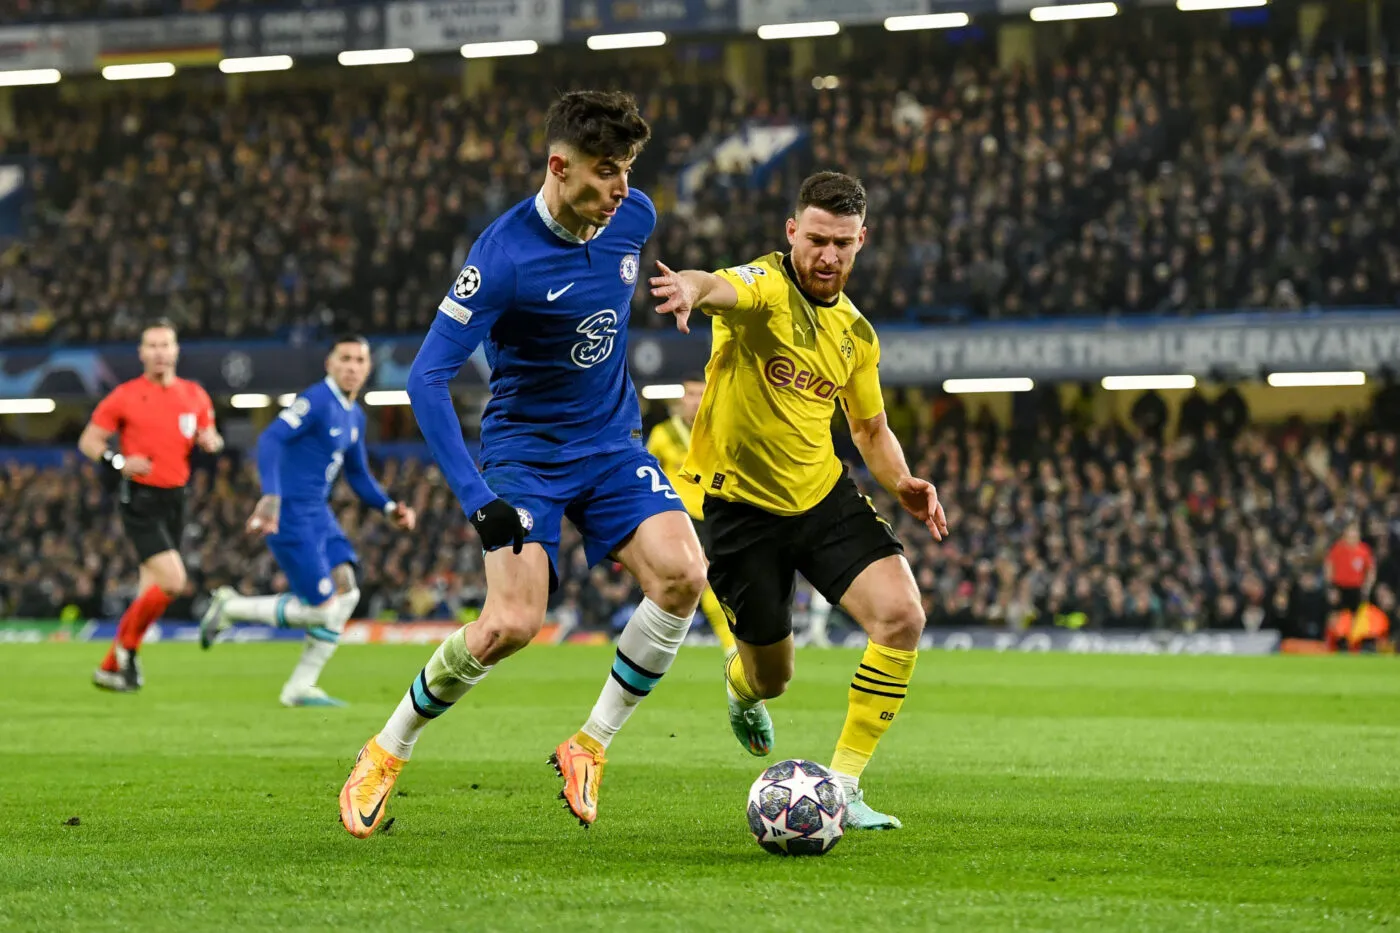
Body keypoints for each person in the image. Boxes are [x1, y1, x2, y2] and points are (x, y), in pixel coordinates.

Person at [338, 91, 707, 839]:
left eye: (628, 169)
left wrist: (692, 287)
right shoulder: (502, 257)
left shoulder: (634, 218)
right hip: (526, 453)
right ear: (559, 166)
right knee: (511, 623)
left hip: (610, 445)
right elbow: (425, 378)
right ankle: (386, 747)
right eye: (605, 171)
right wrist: (477, 498)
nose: (622, 188)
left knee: (683, 574)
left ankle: (589, 744)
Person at [649, 171, 948, 830]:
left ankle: (844, 786)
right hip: (740, 511)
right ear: (792, 232)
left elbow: (870, 428)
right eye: (816, 239)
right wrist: (690, 289)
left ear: (862, 241)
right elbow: (716, 285)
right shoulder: (764, 288)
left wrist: (901, 481)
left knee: (902, 614)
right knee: (771, 678)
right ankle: (740, 685)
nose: (827, 255)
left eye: (842, 243)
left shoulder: (857, 334)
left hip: (821, 496)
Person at [198, 335, 417, 706]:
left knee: (347, 591)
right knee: (322, 609)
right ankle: (231, 609)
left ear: (368, 367)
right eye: (345, 358)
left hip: (318, 512)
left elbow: (358, 473)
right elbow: (270, 439)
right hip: (289, 513)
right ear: (329, 364)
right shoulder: (316, 400)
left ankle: (300, 687)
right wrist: (271, 496)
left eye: (360, 360)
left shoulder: (354, 415)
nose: (352, 366)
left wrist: (388, 507)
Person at [77, 319, 223, 691]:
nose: (159, 352)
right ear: (141, 353)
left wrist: (212, 442)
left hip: (177, 498)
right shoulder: (125, 395)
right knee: (173, 582)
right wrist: (117, 461)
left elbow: (211, 434)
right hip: (140, 498)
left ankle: (112, 667)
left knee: (149, 595)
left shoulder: (194, 394)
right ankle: (125, 653)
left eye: (165, 345)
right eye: (152, 346)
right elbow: (89, 440)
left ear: (176, 351)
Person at [645, 373, 736, 652]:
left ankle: (654, 644)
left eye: (700, 394)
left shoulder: (718, 432)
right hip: (679, 517)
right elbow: (647, 475)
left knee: (716, 581)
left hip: (713, 515)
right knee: (703, 578)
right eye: (690, 394)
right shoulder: (663, 434)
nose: (695, 401)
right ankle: (731, 647)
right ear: (681, 399)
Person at [1325, 522, 1375, 621]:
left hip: (1356, 589)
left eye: (1355, 531)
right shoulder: (1337, 548)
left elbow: (1371, 570)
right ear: (1345, 534)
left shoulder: (1364, 550)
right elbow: (1329, 567)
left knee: (1357, 620)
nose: (1353, 534)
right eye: (1350, 531)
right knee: (1337, 619)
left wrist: (1367, 587)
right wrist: (1331, 588)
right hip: (1339, 588)